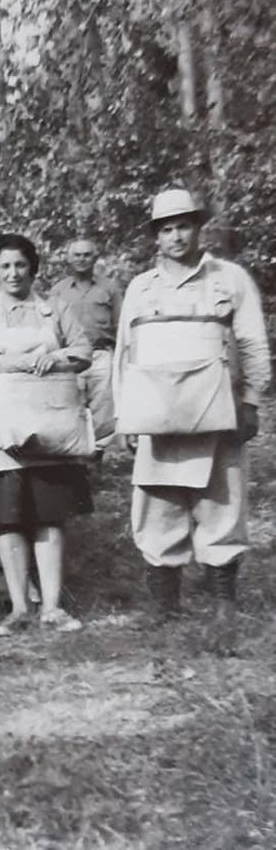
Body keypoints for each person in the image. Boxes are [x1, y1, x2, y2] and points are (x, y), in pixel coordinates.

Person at [113, 188, 271, 651]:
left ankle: (223, 601)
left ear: (199, 227)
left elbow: (252, 343)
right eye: (166, 229)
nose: (176, 236)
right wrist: (124, 417)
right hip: (156, 416)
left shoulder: (230, 279)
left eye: (184, 225)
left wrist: (252, 401)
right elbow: (126, 355)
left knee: (222, 504)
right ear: (154, 237)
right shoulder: (141, 288)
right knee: (156, 507)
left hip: (217, 410)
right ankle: (165, 604)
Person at [0, 233, 93, 636]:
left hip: (51, 427)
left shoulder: (54, 310)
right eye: (5, 266)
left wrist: (57, 355)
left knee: (50, 515)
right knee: (8, 518)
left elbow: (84, 350)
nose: (13, 273)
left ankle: (51, 607)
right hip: (0, 428)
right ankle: (18, 608)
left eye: (20, 265)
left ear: (33, 268)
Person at [50, 238, 122, 451]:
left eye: (86, 255)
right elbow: (51, 329)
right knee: (72, 407)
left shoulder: (109, 288)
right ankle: (75, 457)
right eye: (77, 255)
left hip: (100, 355)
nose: (81, 259)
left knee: (103, 409)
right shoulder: (58, 291)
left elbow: (120, 325)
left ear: (95, 258)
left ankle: (97, 457)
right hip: (70, 357)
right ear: (69, 259)